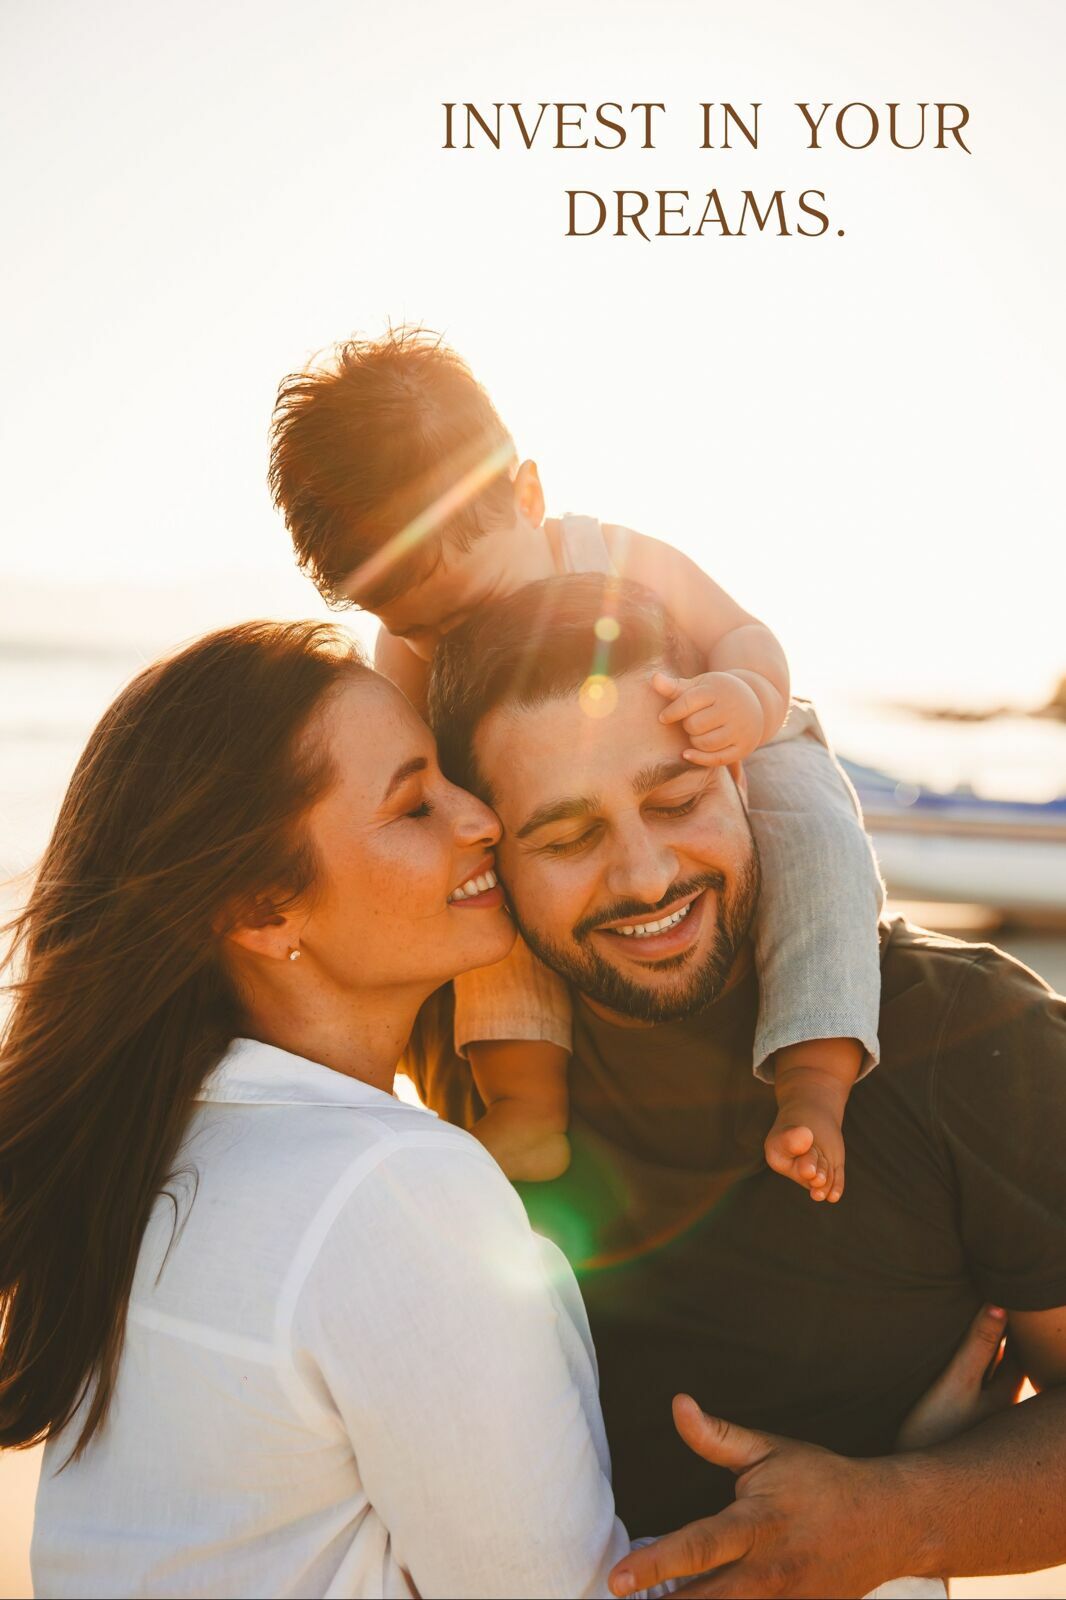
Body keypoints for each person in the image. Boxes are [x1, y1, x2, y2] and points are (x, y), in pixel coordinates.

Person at [406, 573, 1066, 1599]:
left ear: (745, 772)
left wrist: (902, 1520)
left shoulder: (973, 1037)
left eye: (675, 799)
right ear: (492, 849)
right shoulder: (461, 1049)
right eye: (568, 836)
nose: (643, 876)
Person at [6, 621, 656, 1597]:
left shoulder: (165, 1149)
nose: (480, 817)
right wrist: (884, 1547)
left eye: (448, 776)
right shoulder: (387, 1189)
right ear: (267, 910)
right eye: (413, 806)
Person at [268, 326, 883, 1200]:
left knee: (819, 838)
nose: (459, 641)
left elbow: (743, 634)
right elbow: (410, 777)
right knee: (486, 870)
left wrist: (745, 695)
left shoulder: (621, 556)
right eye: (422, 629)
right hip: (531, 795)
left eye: (474, 605)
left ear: (526, 496)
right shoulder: (403, 658)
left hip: (720, 736)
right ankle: (524, 1102)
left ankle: (814, 1081)